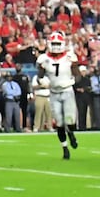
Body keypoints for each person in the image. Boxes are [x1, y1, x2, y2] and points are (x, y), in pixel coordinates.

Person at [39, 31, 80, 159]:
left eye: (58, 43)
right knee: (59, 123)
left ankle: (71, 134)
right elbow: (40, 75)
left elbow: (77, 74)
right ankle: (65, 148)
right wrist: (43, 81)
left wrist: (73, 80)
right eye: (54, 43)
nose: (56, 46)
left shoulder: (69, 57)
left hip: (67, 91)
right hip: (54, 93)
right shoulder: (43, 59)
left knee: (70, 120)